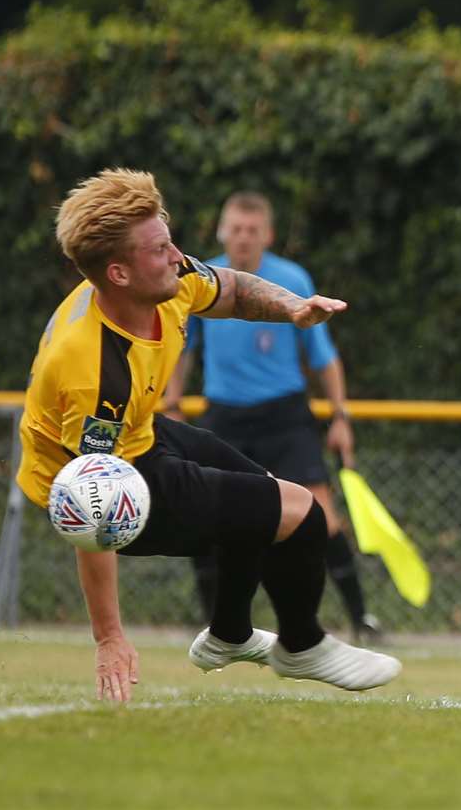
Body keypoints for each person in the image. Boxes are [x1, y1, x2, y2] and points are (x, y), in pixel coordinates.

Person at [16, 169, 399, 702]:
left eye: (169, 239)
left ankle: (229, 635)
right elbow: (90, 504)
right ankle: (301, 645)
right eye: (160, 249)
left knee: (261, 497)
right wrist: (109, 637)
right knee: (302, 514)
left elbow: (234, 290)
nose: (177, 255)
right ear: (120, 272)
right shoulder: (95, 371)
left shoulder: (162, 282)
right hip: (96, 485)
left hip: (139, 437)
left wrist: (291, 308)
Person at [161, 191, 377, 643]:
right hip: (225, 416)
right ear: (222, 231)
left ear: (268, 235)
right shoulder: (205, 278)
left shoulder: (291, 279)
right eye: (235, 229)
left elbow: (323, 357)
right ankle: (217, 625)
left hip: (285, 416)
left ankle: (361, 619)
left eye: (252, 230)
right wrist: (172, 401)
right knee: (209, 516)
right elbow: (184, 348)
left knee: (320, 514)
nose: (242, 238)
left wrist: (340, 416)